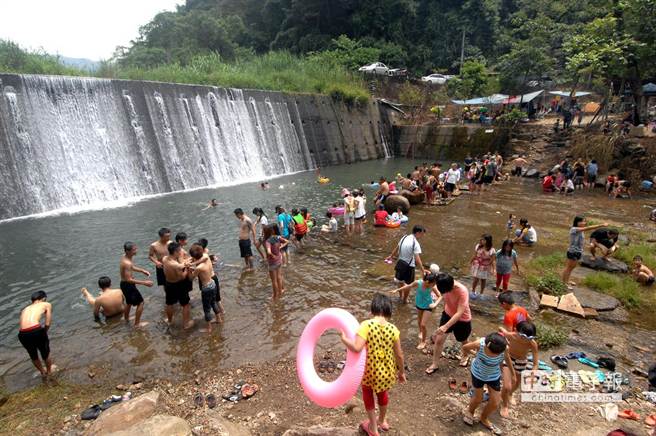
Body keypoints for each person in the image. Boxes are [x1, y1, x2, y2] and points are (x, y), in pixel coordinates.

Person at [341, 293, 405, 436]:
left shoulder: (366, 325)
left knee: (368, 393)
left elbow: (357, 347)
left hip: (370, 369)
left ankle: (373, 428)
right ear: (389, 311)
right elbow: (399, 354)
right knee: (382, 393)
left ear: (373, 309)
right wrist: (401, 372)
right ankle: (382, 420)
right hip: (387, 370)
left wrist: (344, 340)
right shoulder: (393, 329)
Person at [462, 332, 513, 434]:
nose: (496, 356)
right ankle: (470, 412)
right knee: (478, 398)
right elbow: (465, 347)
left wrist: (513, 374)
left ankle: (484, 418)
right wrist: (475, 354)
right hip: (478, 374)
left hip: (493, 376)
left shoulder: (504, 348)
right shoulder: (480, 344)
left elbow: (507, 359)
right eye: (494, 353)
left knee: (495, 402)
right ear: (488, 346)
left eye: (498, 354)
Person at [426, 273, 472, 374]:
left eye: (447, 291)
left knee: (463, 340)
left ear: (451, 286)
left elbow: (459, 313)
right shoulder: (442, 282)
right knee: (439, 340)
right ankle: (435, 364)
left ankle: (465, 355)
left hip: (462, 319)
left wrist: (445, 326)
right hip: (447, 314)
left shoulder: (462, 291)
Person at [389, 273, 440, 350]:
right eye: (433, 283)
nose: (434, 285)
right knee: (419, 320)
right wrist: (397, 290)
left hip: (428, 305)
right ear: (427, 281)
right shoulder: (418, 283)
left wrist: (435, 304)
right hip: (419, 304)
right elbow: (408, 286)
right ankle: (421, 332)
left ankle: (423, 342)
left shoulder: (433, 287)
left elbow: (440, 296)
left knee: (423, 324)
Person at [499, 321, 538, 419]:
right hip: (508, 359)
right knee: (507, 385)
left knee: (516, 384)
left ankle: (510, 394)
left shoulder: (532, 344)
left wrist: (533, 372)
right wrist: (502, 340)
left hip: (521, 361)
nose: (526, 341)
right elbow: (500, 329)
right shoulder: (512, 336)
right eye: (524, 337)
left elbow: (535, 363)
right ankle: (504, 405)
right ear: (516, 331)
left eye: (530, 338)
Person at [562, 216, 609, 289]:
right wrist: (601, 225)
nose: (584, 223)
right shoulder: (574, 229)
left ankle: (567, 281)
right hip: (573, 251)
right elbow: (588, 228)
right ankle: (564, 283)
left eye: (585, 221)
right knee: (568, 268)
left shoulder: (581, 230)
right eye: (583, 221)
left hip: (578, 252)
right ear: (577, 222)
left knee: (572, 267)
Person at [385, 225, 426, 302]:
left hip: (400, 264)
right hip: (409, 266)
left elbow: (397, 248)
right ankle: (405, 299)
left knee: (399, 281)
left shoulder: (404, 237)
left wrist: (391, 256)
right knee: (408, 284)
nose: (422, 236)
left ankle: (400, 297)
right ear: (418, 233)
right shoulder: (415, 243)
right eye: (422, 234)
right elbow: (417, 259)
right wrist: (422, 270)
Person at [18, 291, 53, 377]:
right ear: (43, 299)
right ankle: (49, 372)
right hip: (36, 330)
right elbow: (48, 323)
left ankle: (42, 372)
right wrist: (44, 332)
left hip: (22, 334)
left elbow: (23, 324)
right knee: (45, 353)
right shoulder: (46, 304)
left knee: (33, 355)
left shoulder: (24, 309)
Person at [189, 244, 221, 332]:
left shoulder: (199, 268)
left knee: (206, 308)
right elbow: (203, 258)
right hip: (213, 283)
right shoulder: (206, 257)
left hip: (206, 288)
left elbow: (191, 278)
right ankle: (218, 319)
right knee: (213, 303)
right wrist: (193, 263)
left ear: (194, 257)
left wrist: (189, 269)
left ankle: (209, 328)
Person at [119, 242, 152, 327]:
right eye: (134, 250)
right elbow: (129, 279)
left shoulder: (125, 257)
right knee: (140, 303)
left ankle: (126, 319)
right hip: (128, 285)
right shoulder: (127, 263)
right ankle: (137, 324)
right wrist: (144, 283)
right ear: (127, 251)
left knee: (129, 302)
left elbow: (131, 267)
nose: (136, 251)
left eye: (135, 249)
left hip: (124, 284)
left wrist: (142, 270)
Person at [163, 242, 193, 329]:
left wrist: (186, 261)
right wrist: (187, 269)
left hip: (168, 284)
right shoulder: (176, 265)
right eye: (180, 250)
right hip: (179, 284)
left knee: (169, 303)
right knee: (185, 304)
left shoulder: (165, 258)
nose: (181, 252)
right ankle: (186, 324)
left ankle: (169, 321)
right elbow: (183, 276)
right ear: (175, 252)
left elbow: (181, 264)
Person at [264, 224, 288, 298]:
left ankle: (275, 296)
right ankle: (281, 291)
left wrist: (272, 255)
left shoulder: (268, 241)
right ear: (272, 231)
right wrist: (281, 246)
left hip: (272, 263)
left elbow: (268, 251)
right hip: (279, 260)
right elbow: (287, 241)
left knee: (274, 280)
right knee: (279, 277)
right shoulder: (277, 237)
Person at [149, 227, 171, 292]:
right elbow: (150, 256)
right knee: (164, 283)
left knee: (174, 280)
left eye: (169, 236)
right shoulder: (154, 245)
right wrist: (156, 262)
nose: (169, 238)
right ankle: (168, 295)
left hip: (170, 264)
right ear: (161, 236)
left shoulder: (170, 243)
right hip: (161, 266)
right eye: (167, 236)